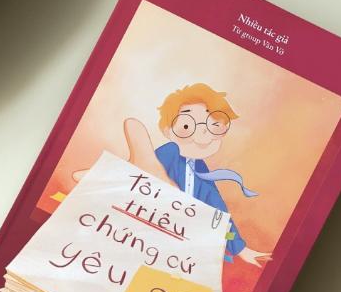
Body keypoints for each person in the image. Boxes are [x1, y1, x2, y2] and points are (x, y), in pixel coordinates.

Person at [74, 82, 271, 267]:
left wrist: (240, 248)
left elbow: (218, 216)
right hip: (140, 236)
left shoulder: (201, 172)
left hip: (175, 252)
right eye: (187, 126)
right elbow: (140, 177)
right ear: (168, 131)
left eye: (213, 126)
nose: (201, 134)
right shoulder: (168, 154)